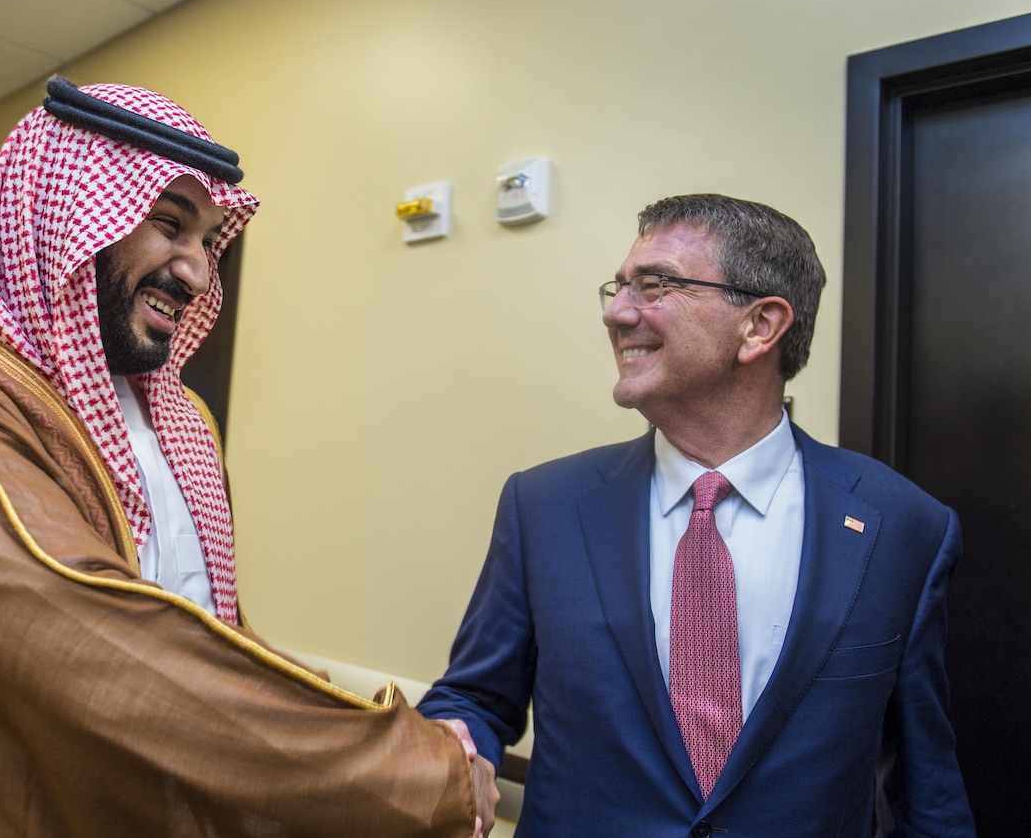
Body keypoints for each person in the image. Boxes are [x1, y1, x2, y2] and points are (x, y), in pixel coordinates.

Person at [0, 77, 496, 837]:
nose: (196, 270)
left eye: (208, 240)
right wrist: (420, 770)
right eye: (169, 223)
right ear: (68, 210)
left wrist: (396, 739)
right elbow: (101, 644)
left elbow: (216, 642)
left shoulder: (182, 426)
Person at [417, 194, 975, 835]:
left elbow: (926, 782)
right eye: (618, 287)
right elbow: (476, 696)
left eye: (654, 286)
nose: (616, 312)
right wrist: (453, 743)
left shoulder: (901, 526)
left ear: (760, 326)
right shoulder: (545, 505)